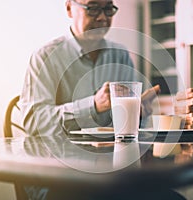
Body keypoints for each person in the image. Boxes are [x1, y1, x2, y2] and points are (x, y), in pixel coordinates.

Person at [20, 0, 160, 135]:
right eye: (92, 8)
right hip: (61, 156)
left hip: (111, 155)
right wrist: (93, 105)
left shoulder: (120, 56)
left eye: (108, 9)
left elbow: (127, 130)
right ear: (69, 8)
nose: (102, 18)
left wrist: (138, 113)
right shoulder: (45, 56)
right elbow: (34, 123)